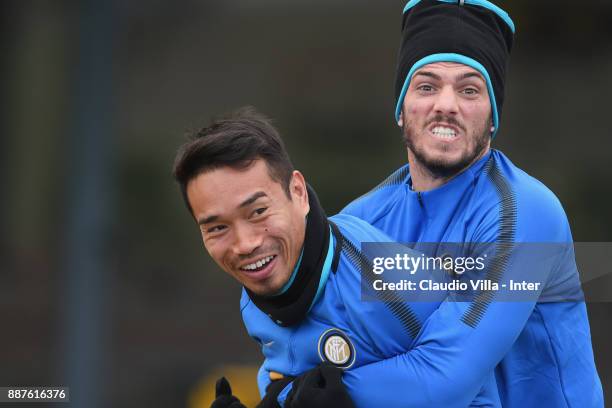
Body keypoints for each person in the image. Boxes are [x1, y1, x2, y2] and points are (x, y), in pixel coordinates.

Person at [340, 0, 604, 407]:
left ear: (493, 116)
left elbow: (447, 378)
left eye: (469, 90)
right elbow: (319, 340)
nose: (446, 105)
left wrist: (321, 395)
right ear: (400, 108)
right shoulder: (358, 219)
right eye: (426, 86)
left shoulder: (528, 212)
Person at [172, 108, 501, 407]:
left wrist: (351, 398)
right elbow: (289, 378)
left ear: (298, 194)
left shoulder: (378, 271)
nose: (244, 244)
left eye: (257, 211)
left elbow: (468, 384)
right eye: (217, 228)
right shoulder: (254, 299)